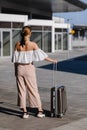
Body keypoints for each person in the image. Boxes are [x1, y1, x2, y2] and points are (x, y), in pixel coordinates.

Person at [12, 26, 57, 119]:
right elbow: (42, 56)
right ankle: (39, 111)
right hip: (29, 68)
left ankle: (25, 113)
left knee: (21, 91)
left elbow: (15, 60)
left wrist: (16, 71)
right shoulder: (32, 44)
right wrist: (52, 60)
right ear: (29, 34)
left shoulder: (17, 44)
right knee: (33, 90)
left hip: (19, 69)